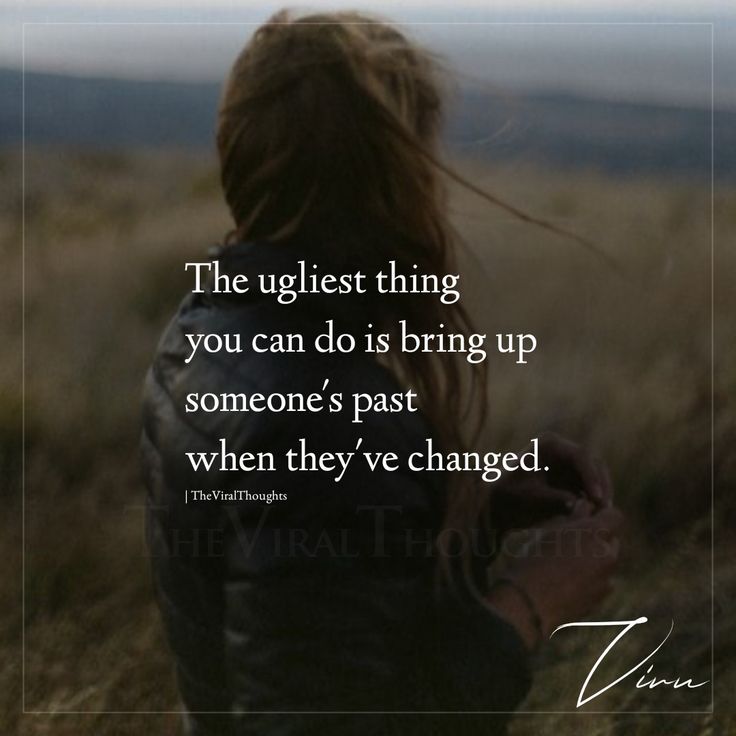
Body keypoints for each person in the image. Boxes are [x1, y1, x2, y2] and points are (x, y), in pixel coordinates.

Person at [141, 10, 624, 736]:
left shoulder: (202, 329)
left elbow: (297, 600)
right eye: (425, 156)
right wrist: (531, 605)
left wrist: (472, 514)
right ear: (393, 179)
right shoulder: (329, 412)